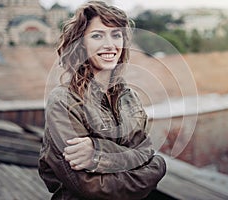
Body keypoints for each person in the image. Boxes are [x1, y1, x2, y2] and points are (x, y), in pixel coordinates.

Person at [38, 1, 166, 199]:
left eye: (116, 34)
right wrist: (155, 169)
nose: (110, 44)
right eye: (97, 35)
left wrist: (97, 150)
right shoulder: (63, 101)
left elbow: (146, 152)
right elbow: (89, 186)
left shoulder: (129, 97)